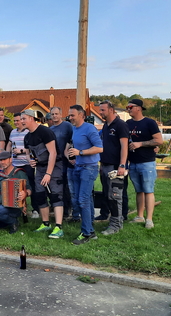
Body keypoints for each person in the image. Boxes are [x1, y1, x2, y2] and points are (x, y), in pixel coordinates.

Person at [21, 109, 64, 239]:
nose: (21, 121)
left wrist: (49, 174)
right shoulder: (27, 136)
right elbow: (28, 153)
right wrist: (31, 161)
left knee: (55, 196)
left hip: (54, 167)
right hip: (39, 169)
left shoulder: (45, 132)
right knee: (39, 195)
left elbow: (53, 153)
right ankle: (45, 223)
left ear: (31, 118)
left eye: (23, 119)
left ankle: (58, 227)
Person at [66, 105, 103, 245]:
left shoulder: (89, 128)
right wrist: (73, 155)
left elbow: (99, 148)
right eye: (69, 115)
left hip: (89, 168)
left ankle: (86, 233)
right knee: (83, 199)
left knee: (83, 200)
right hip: (78, 167)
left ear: (81, 115)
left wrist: (80, 153)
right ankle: (90, 230)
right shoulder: (74, 129)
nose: (70, 118)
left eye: (72, 115)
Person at [126, 99, 163, 230]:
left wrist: (140, 144)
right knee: (139, 191)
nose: (128, 109)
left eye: (131, 107)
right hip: (133, 163)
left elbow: (159, 140)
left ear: (139, 108)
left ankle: (149, 219)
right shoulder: (128, 123)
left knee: (148, 190)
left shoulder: (149, 123)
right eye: (127, 107)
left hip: (147, 163)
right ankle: (140, 216)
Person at [98, 101, 130, 235]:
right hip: (105, 165)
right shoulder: (106, 126)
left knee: (115, 196)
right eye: (100, 110)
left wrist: (122, 165)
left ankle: (116, 225)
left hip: (116, 167)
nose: (101, 112)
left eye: (103, 110)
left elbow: (124, 146)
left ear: (111, 110)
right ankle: (114, 221)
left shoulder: (121, 125)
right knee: (108, 195)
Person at [0, 150, 32, 234]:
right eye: (1, 160)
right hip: (2, 207)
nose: (2, 162)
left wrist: (25, 193)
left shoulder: (19, 173)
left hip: (16, 207)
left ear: (10, 160)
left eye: (5, 159)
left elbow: (30, 189)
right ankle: (8, 222)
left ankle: (13, 222)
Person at [6, 112, 39, 218]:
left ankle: (35, 209)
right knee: (16, 187)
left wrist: (20, 151)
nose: (16, 122)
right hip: (15, 164)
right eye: (14, 120)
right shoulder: (13, 132)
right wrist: (8, 156)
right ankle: (18, 208)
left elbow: (31, 148)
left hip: (26, 163)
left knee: (30, 186)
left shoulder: (28, 132)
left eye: (18, 120)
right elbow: (9, 144)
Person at [48, 106, 73, 218]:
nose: (54, 116)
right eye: (52, 114)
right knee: (58, 186)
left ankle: (68, 210)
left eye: (56, 114)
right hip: (55, 161)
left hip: (66, 160)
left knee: (66, 186)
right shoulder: (51, 129)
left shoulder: (67, 126)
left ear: (61, 114)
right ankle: (59, 208)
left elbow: (73, 140)